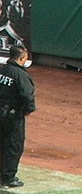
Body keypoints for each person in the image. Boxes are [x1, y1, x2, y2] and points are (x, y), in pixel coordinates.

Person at [0, 44, 34, 189]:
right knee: (14, 145)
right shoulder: (21, 75)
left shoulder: (2, 70)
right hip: (13, 116)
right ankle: (8, 178)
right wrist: (28, 110)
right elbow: (27, 96)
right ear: (22, 58)